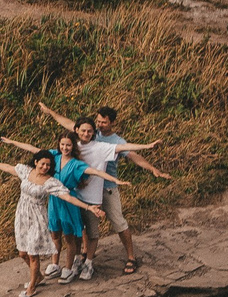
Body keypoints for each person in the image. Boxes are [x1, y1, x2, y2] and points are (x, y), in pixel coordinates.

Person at [39, 100, 171, 275]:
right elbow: (67, 123)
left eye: (103, 122)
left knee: (118, 222)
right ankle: (85, 255)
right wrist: (50, 112)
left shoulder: (111, 142)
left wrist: (152, 166)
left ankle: (130, 256)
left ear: (112, 123)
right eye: (98, 121)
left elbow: (132, 154)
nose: (99, 125)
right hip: (82, 188)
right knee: (84, 224)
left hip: (107, 187)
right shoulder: (87, 134)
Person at [1, 126, 128, 279]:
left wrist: (115, 180)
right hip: (54, 201)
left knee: (69, 237)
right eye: (62, 144)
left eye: (68, 145)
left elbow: (96, 172)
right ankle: (55, 264)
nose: (65, 147)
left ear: (73, 146)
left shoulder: (76, 164)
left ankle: (68, 268)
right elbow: (34, 150)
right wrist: (12, 142)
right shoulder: (54, 156)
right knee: (55, 233)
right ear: (59, 145)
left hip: (67, 199)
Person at [0, 149, 98, 297]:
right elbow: (10, 168)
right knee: (23, 253)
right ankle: (38, 276)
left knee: (33, 255)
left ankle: (31, 287)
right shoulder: (26, 172)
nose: (45, 167)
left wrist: (88, 207)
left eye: (48, 165)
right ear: (36, 162)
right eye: (43, 163)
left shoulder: (50, 182)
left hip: (37, 219)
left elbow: (67, 197)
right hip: (21, 216)